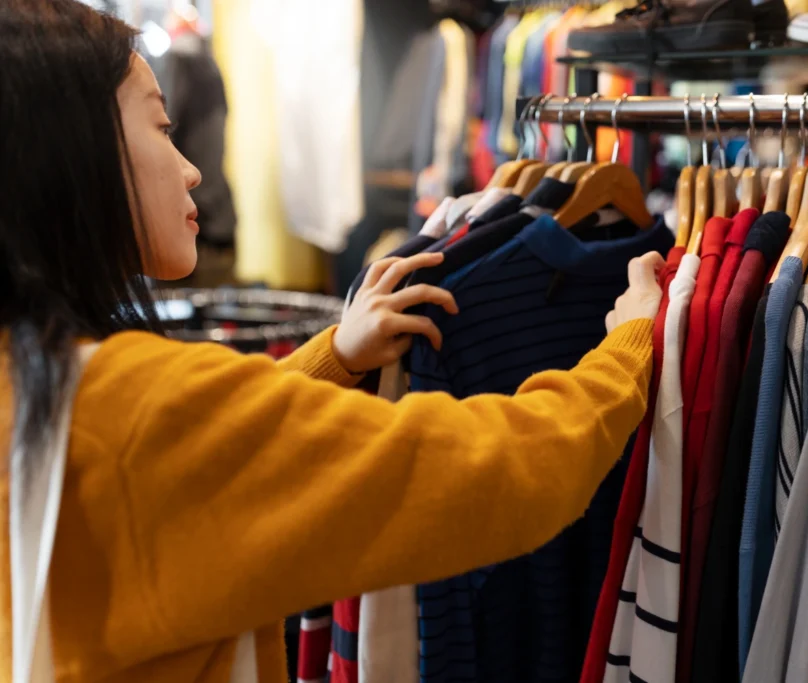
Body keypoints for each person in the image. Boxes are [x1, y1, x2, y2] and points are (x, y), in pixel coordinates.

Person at [0, 2, 665, 681]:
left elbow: (216, 458)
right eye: (162, 128)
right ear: (71, 153)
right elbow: (498, 469)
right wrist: (628, 349)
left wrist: (337, 356)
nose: (192, 169)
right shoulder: (128, 417)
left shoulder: (43, 391)